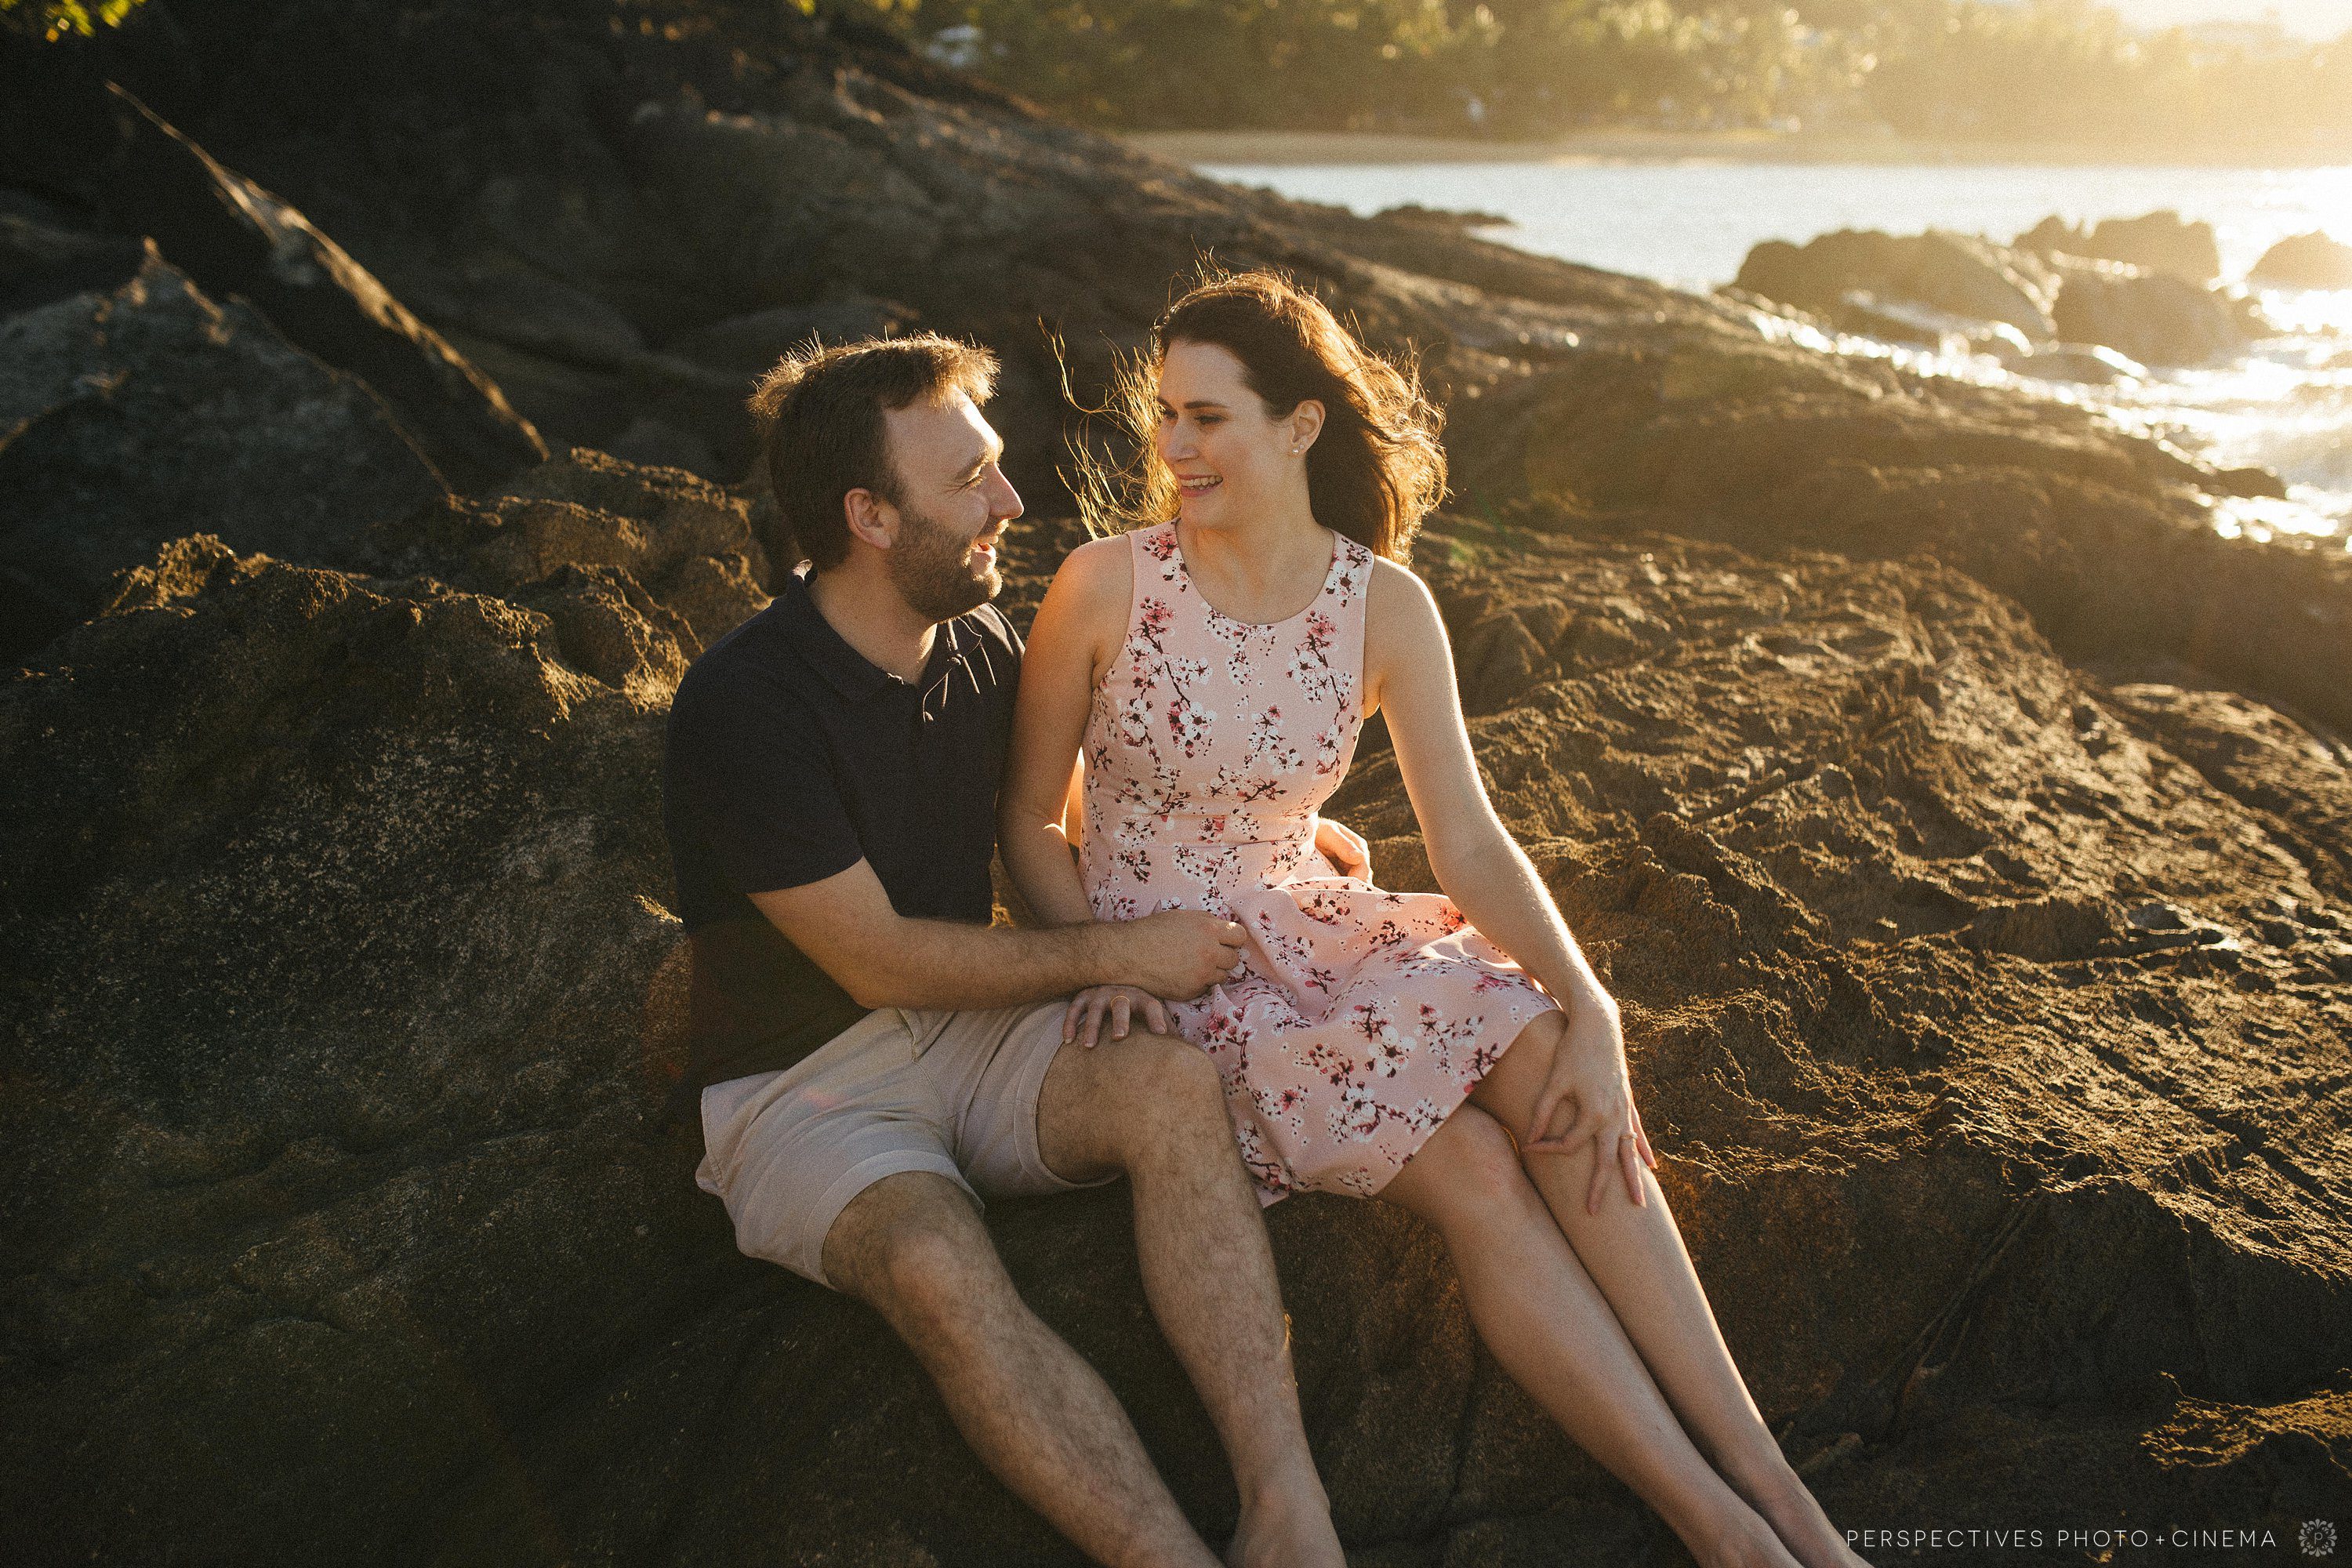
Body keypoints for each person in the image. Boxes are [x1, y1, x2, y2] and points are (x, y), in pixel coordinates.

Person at [1000, 270, 1873, 1568]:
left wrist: (1593, 1008)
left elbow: (1467, 839)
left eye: (1211, 418)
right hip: (1168, 971)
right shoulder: (1105, 585)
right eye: (1168, 418)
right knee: (1468, 1169)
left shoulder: (1383, 605)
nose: (1176, 449)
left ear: (1300, 428)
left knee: (1552, 1070)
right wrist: (1094, 968)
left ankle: (1780, 1498)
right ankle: (1719, 1534)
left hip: (1313, 927)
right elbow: (1026, 819)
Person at [662, 331, 1346, 1568]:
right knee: (933, 1262)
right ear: (867, 515)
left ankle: (1284, 1503)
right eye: (971, 478)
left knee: (1169, 1085)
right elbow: (873, 962)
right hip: (801, 1088)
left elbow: (1095, 818)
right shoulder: (743, 707)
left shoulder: (980, 651)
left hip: (978, 1042)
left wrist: (1282, 833)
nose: (1011, 501)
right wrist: (1115, 959)